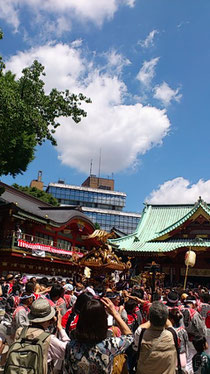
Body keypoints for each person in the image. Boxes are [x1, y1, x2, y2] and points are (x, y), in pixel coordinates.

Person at [64, 297, 133, 373]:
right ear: (103, 321)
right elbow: (129, 336)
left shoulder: (70, 346)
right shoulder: (110, 345)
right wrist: (115, 313)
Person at [14, 298, 70, 374]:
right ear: (49, 318)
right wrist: (60, 327)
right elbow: (67, 350)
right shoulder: (49, 338)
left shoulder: (20, 331)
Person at [134, 301, 177, 374]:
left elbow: (140, 328)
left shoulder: (141, 334)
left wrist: (151, 319)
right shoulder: (172, 334)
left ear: (149, 317)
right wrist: (162, 316)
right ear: (166, 318)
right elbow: (169, 325)